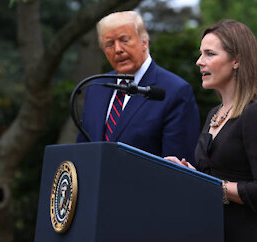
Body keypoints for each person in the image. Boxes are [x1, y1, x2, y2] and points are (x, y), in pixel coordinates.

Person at [165, 19, 257, 242]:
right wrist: (191, 175)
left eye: (209, 54)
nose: (199, 61)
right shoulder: (214, 114)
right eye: (200, 54)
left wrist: (211, 186)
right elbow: (214, 176)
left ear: (236, 60)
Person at [76, 11, 200, 163]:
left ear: (144, 42)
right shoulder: (95, 89)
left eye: (124, 40)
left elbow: (179, 168)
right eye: (109, 44)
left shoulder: (174, 91)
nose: (118, 49)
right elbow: (82, 152)